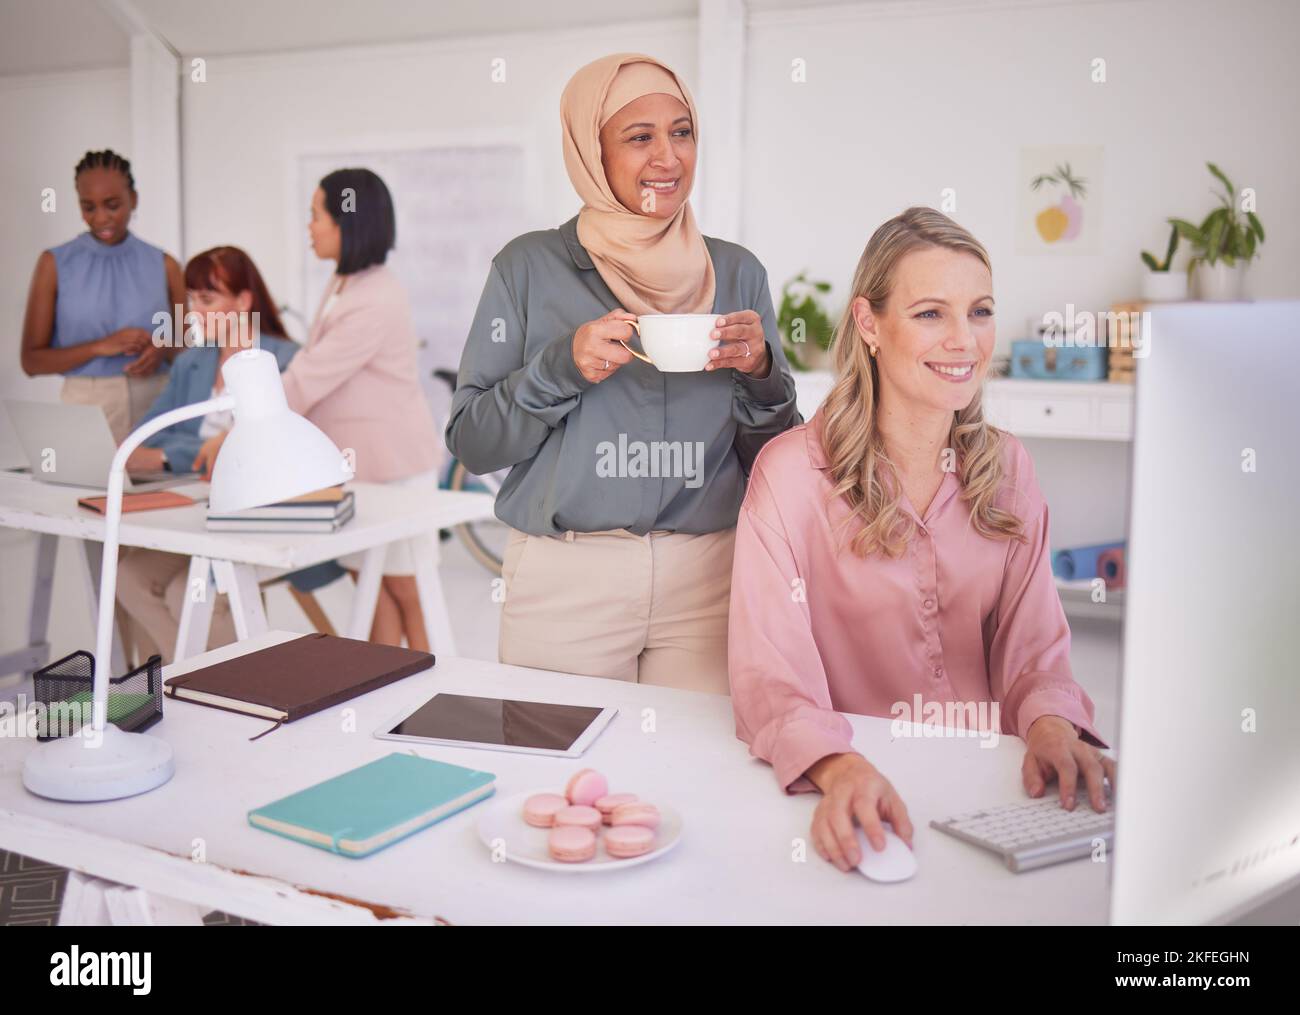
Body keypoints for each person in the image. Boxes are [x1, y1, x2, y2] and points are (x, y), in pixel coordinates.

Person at [727, 207, 1114, 872]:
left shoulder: (1007, 467)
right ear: (869, 323)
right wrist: (839, 767)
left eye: (981, 311)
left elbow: (1035, 649)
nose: (965, 340)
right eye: (932, 313)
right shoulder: (790, 475)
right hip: (850, 780)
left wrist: (1051, 724)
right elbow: (772, 677)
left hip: (990, 783)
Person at [445, 53, 799, 693]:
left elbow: (775, 455)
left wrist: (762, 372)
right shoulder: (526, 268)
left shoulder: (739, 272)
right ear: (591, 152)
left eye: (682, 132)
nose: (668, 157)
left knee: (696, 777)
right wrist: (561, 366)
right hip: (566, 580)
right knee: (556, 772)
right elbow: (472, 441)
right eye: (639, 137)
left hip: (708, 576)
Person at [114, 246, 298, 664]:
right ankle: (178, 676)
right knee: (128, 577)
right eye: (192, 298)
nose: (194, 311)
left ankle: (216, 684)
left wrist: (169, 457)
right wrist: (176, 454)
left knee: (185, 593)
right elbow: (145, 437)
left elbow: (261, 446)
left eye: (207, 299)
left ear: (244, 301)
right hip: (192, 509)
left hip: (255, 512)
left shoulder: (286, 360)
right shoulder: (192, 363)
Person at [282, 168, 442, 649]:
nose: (309, 226)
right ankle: (388, 693)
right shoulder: (343, 282)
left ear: (346, 223)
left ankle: (440, 697)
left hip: (393, 468)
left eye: (315, 216)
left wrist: (239, 425)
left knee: (407, 589)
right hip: (358, 468)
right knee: (369, 588)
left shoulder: (374, 296)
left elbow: (308, 377)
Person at [20, 150, 185, 443]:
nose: (101, 218)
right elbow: (32, 361)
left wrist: (162, 349)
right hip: (86, 406)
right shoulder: (54, 264)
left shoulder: (165, 265)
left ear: (133, 199)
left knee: (161, 489)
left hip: (156, 402)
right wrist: (100, 347)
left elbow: (187, 351)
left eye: (112, 205)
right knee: (81, 489)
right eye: (88, 207)